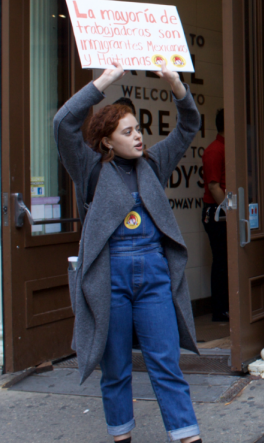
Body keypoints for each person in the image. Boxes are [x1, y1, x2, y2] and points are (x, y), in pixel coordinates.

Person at [56, 61, 203, 443]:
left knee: (165, 363)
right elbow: (63, 125)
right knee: (116, 368)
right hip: (109, 278)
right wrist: (102, 82)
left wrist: (175, 84)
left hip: (154, 276)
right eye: (128, 131)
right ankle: (122, 436)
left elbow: (189, 125)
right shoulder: (89, 169)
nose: (139, 137)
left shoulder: (153, 164)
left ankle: (187, 435)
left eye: (139, 129)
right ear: (107, 140)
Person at [201, 109, 228, 322]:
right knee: (221, 260)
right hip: (217, 213)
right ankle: (220, 310)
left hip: (225, 212)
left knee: (227, 261)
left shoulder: (226, 148)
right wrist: (231, 211)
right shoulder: (215, 150)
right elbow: (214, 186)